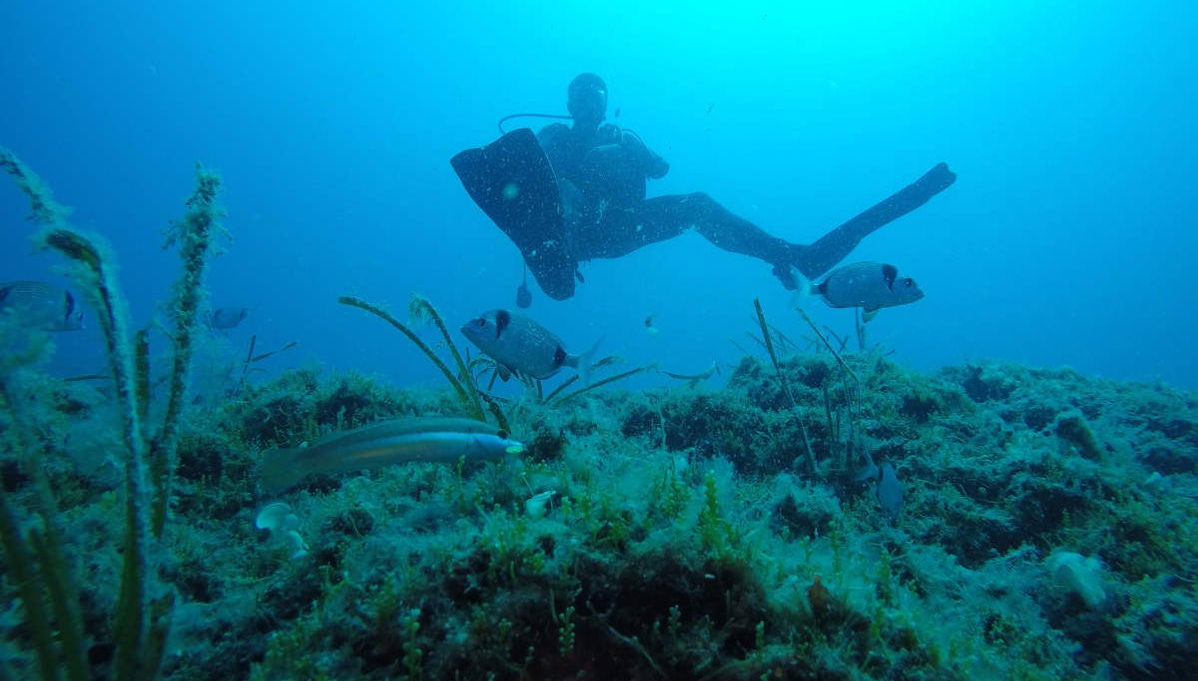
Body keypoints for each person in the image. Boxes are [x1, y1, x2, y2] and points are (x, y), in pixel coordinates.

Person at [451, 73, 956, 301]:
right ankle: (551, 259)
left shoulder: (621, 137)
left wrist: (630, 146)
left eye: (594, 95)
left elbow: (661, 171)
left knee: (696, 205)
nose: (586, 103)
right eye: (579, 96)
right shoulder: (554, 137)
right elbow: (533, 174)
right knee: (558, 187)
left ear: (604, 102)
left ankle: (788, 256)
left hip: (622, 227)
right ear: (568, 103)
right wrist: (563, 190)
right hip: (568, 234)